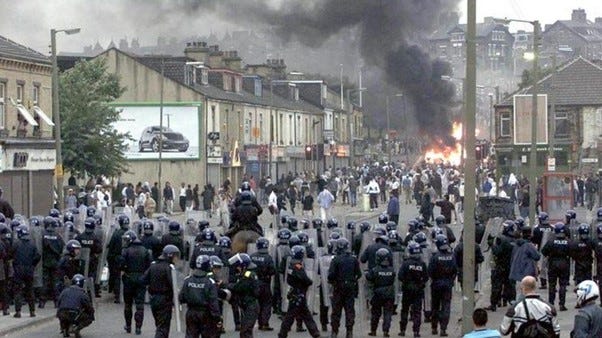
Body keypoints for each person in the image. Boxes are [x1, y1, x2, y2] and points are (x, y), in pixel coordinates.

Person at [277, 245, 321, 338]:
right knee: (290, 317)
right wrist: (310, 282)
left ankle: (316, 334)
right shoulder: (297, 266)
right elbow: (305, 279)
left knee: (306, 316)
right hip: (298, 294)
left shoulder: (291, 264)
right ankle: (282, 334)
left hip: (295, 293)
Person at [179, 255, 222, 338]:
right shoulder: (210, 282)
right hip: (206, 314)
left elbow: (181, 298)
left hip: (191, 312)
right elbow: (213, 302)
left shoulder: (188, 280)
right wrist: (217, 318)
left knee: (190, 335)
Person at [142, 244, 180, 338]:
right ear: (170, 256)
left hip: (153, 299)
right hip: (165, 300)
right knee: (163, 327)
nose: (177, 259)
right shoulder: (169, 268)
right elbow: (173, 285)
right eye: (176, 256)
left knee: (159, 324)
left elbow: (143, 280)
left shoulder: (153, 265)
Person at [328, 238, 362, 338]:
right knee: (350, 310)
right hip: (350, 287)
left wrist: (333, 281)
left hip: (338, 287)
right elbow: (359, 274)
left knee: (336, 311)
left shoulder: (335, 259)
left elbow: (331, 275)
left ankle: (334, 332)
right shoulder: (353, 259)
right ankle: (349, 332)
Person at [120, 230, 151, 335]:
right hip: (141, 279)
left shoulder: (126, 251)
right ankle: (138, 328)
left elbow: (121, 264)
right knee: (140, 305)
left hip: (129, 278)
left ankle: (128, 326)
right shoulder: (145, 250)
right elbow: (149, 266)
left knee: (128, 304)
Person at [428, 234, 458, 337]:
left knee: (435, 306)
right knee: (446, 306)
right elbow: (455, 270)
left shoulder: (435, 257)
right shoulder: (452, 256)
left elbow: (430, 271)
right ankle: (443, 329)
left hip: (436, 284)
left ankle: (434, 327)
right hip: (447, 284)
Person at [398, 242, 428, 338]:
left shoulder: (406, 263)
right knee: (417, 312)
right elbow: (426, 277)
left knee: (405, 310)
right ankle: (416, 332)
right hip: (418, 290)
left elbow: (400, 276)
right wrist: (421, 283)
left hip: (407, 289)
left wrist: (406, 282)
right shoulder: (422, 264)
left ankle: (402, 330)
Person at [227, 253, 260, 338]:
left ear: (243, 266)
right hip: (247, 305)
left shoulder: (248, 275)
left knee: (246, 332)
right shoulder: (246, 274)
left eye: (238, 266)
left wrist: (225, 285)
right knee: (245, 332)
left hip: (251, 306)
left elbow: (238, 287)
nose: (237, 268)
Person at [541, 222, 572, 311]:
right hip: (564, 264)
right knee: (563, 285)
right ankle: (562, 304)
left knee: (552, 285)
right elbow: (572, 252)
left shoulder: (551, 241)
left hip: (553, 264)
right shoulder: (568, 242)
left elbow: (543, 251)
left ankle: (551, 304)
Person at [11, 227, 41, 318]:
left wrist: (14, 263)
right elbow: (38, 256)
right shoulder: (32, 244)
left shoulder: (16, 244)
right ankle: (32, 311)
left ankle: (18, 311)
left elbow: (10, 254)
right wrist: (32, 265)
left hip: (18, 269)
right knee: (30, 290)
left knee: (18, 290)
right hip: (29, 270)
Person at [365, 248, 395, 337]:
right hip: (389, 293)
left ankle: (373, 331)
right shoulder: (392, 270)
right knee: (388, 313)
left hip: (377, 293)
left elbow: (369, 277)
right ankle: (386, 331)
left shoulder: (375, 270)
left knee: (375, 313)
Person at [250, 237, 276, 331]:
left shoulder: (252, 256)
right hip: (265, 284)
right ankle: (264, 323)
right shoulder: (268, 257)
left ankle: (257, 322)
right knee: (266, 303)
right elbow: (273, 271)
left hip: (254, 284)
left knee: (257, 303)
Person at [75, 217, 103, 298]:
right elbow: (99, 249)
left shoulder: (80, 237)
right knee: (91, 277)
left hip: (81, 261)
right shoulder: (95, 237)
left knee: (81, 275)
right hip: (92, 260)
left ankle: (80, 290)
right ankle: (91, 293)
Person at [41, 216, 64, 308]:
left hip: (45, 261)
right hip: (55, 261)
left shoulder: (42, 234)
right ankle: (56, 302)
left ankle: (42, 302)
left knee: (45, 281)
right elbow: (62, 247)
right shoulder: (58, 235)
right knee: (55, 282)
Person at [107, 214, 130, 303]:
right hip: (127, 258)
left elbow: (111, 247)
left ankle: (117, 296)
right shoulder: (131, 233)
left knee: (117, 277)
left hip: (117, 258)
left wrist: (110, 259)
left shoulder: (116, 234)